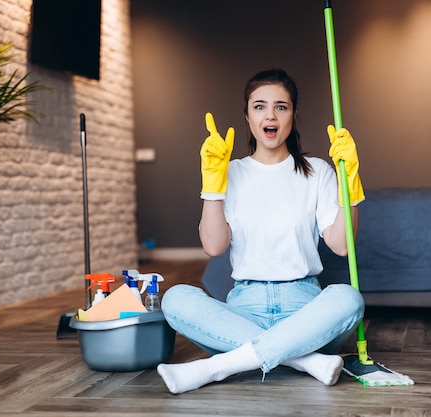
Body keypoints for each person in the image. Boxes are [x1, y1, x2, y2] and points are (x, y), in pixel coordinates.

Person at [156, 69, 366, 394]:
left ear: (293, 116)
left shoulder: (319, 172)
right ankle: (305, 360)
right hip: (243, 307)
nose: (270, 115)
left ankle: (219, 366)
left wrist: (350, 182)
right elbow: (214, 246)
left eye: (281, 107)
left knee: (348, 298)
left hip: (306, 308)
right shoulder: (229, 172)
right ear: (247, 116)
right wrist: (212, 187)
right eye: (260, 106)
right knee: (175, 298)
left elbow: (341, 246)